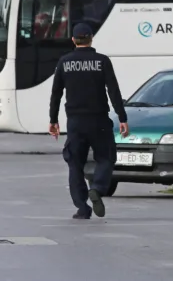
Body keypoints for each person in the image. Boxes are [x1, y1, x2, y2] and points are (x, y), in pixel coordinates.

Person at [49, 23, 129, 220]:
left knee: (75, 164)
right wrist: (122, 117)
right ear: (92, 38)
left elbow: (56, 93)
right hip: (99, 120)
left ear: (73, 40)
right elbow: (113, 90)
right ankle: (97, 187)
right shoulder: (102, 61)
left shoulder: (64, 62)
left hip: (75, 122)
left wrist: (53, 120)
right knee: (106, 158)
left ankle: (82, 208)